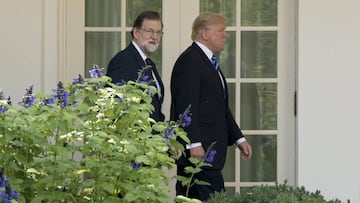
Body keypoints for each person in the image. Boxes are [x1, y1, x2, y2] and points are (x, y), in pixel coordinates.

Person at [170, 12, 252, 201]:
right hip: (198, 154)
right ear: (205, 33)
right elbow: (186, 105)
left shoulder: (208, 62)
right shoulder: (190, 61)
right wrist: (194, 143)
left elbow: (220, 108)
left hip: (205, 154)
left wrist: (239, 138)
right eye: (221, 30)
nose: (225, 35)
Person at [106, 11, 165, 122]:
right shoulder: (123, 60)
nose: (155, 37)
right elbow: (115, 106)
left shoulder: (149, 64)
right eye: (149, 31)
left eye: (158, 32)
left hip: (151, 137)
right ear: (136, 33)